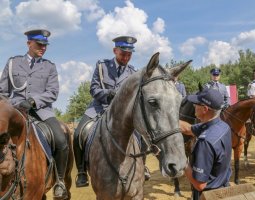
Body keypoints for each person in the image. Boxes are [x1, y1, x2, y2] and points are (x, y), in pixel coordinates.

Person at [73, 36, 150, 187]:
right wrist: (108, 94)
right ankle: (82, 172)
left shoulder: (133, 72)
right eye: (123, 54)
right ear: (115, 51)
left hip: (122, 113)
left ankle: (142, 164)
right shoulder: (102, 66)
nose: (126, 57)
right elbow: (93, 89)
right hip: (99, 107)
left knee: (142, 133)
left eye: (129, 54)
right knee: (78, 133)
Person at [0, 29, 69, 199]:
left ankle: (59, 181)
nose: (43, 48)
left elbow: (53, 92)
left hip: (41, 112)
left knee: (61, 139)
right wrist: (11, 105)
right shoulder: (12, 63)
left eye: (45, 45)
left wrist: (33, 101)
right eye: (39, 44)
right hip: (15, 112)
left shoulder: (49, 66)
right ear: (29, 43)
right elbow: (2, 91)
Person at [180, 88, 232, 200]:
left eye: (197, 103)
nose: (194, 105)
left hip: (208, 196)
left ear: (204, 109)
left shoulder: (205, 142)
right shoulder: (223, 126)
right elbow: (188, 128)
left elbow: (200, 185)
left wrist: (182, 161)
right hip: (223, 189)